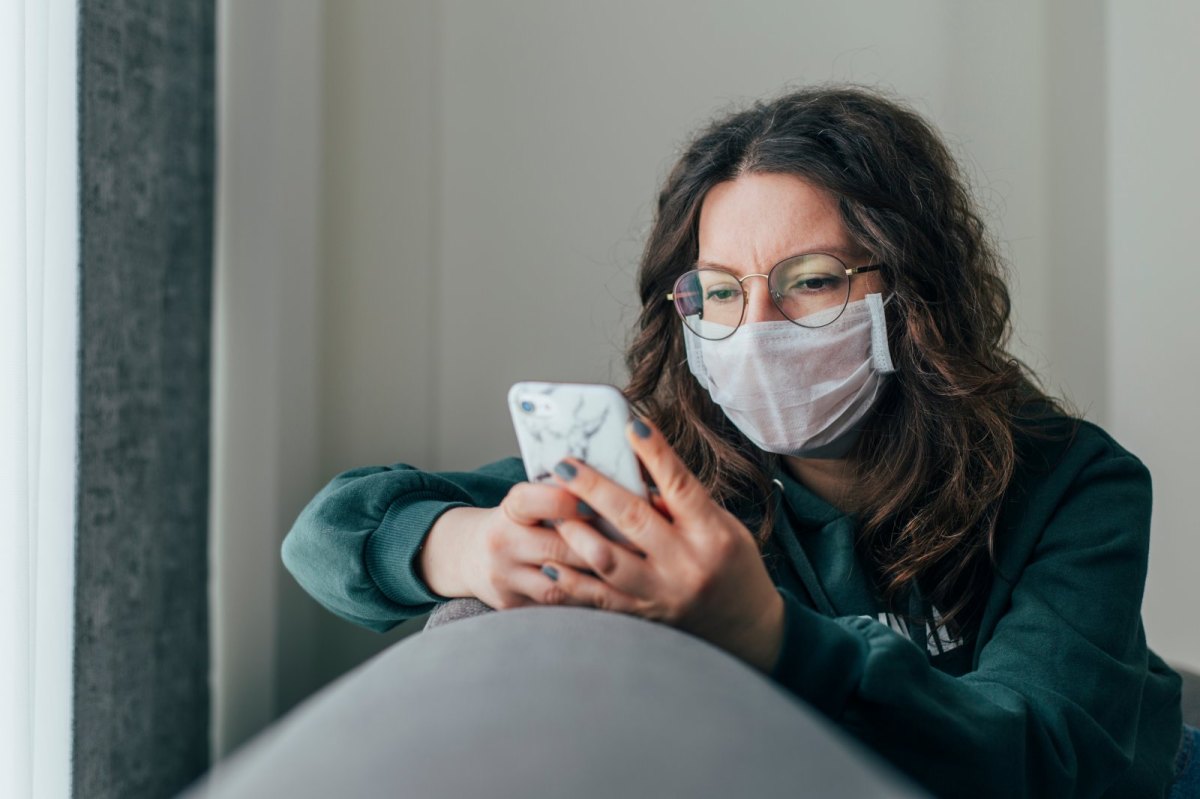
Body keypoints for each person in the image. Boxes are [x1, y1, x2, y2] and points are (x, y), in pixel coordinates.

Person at [281, 85, 1196, 797]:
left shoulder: (1077, 482)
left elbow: (1039, 761)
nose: (756, 327)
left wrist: (763, 630)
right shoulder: (679, 470)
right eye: (719, 290)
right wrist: (467, 545)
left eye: (810, 281)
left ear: (913, 295)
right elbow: (325, 532)